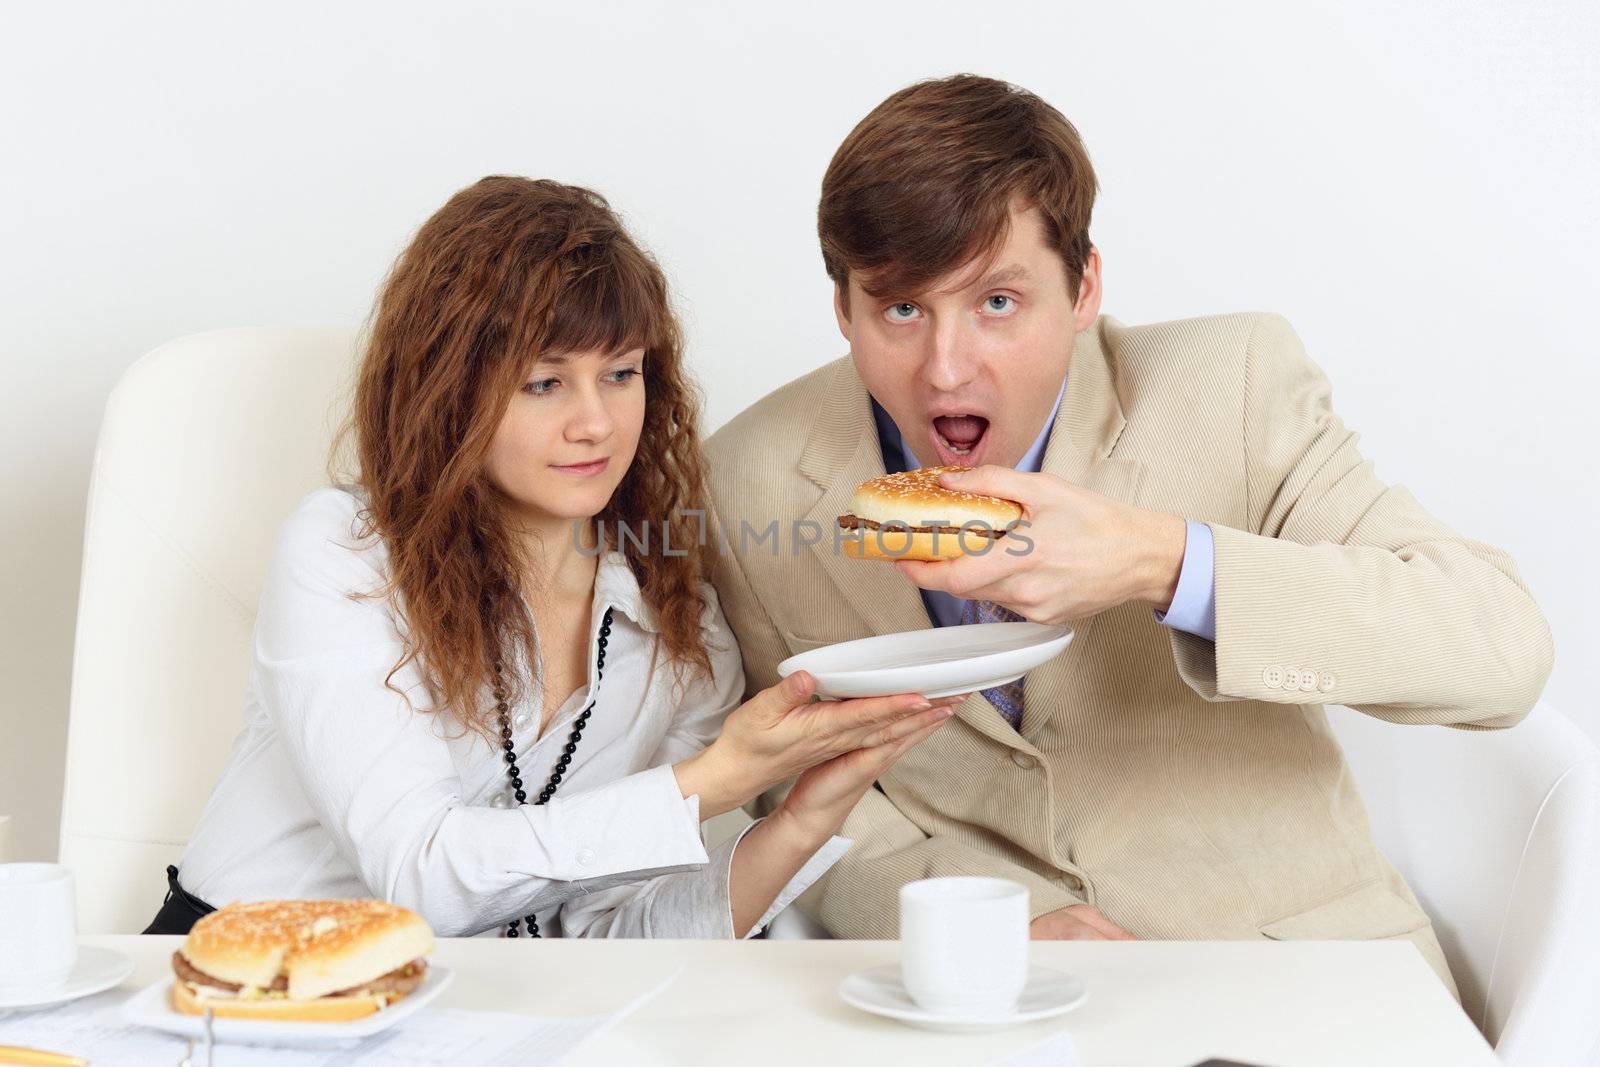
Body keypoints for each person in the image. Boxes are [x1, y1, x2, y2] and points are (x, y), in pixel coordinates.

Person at [704, 74, 1553, 993]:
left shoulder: (1233, 388)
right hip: (981, 1003)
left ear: (1084, 289)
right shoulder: (745, 475)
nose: (945, 370)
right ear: (845, 310)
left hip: (1292, 980)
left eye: (997, 302)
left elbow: (1499, 651)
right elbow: (791, 788)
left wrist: (1163, 559)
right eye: (902, 309)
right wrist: (989, 925)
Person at [146, 176, 956, 939]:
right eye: (544, 382)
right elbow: (416, 872)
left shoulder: (680, 621)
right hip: (230, 986)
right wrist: (717, 777)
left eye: (621, 374)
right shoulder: (346, 556)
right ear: (447, 388)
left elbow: (600, 933)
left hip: (466, 1009)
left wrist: (803, 817)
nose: (595, 422)